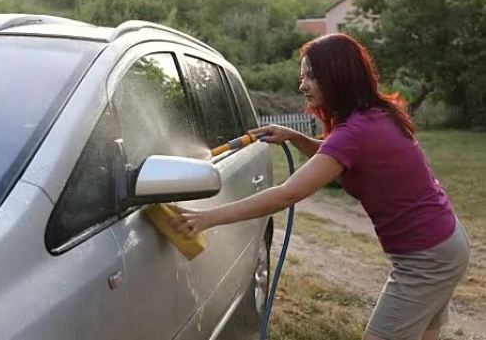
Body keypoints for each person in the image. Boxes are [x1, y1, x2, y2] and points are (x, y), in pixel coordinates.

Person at [172, 33, 470, 340]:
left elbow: (288, 193)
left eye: (312, 76)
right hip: (445, 243)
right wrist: (295, 136)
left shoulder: (355, 132)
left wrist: (207, 218)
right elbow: (335, 155)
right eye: (303, 77)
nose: (303, 85)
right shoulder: (373, 117)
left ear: (339, 76)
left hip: (426, 258)